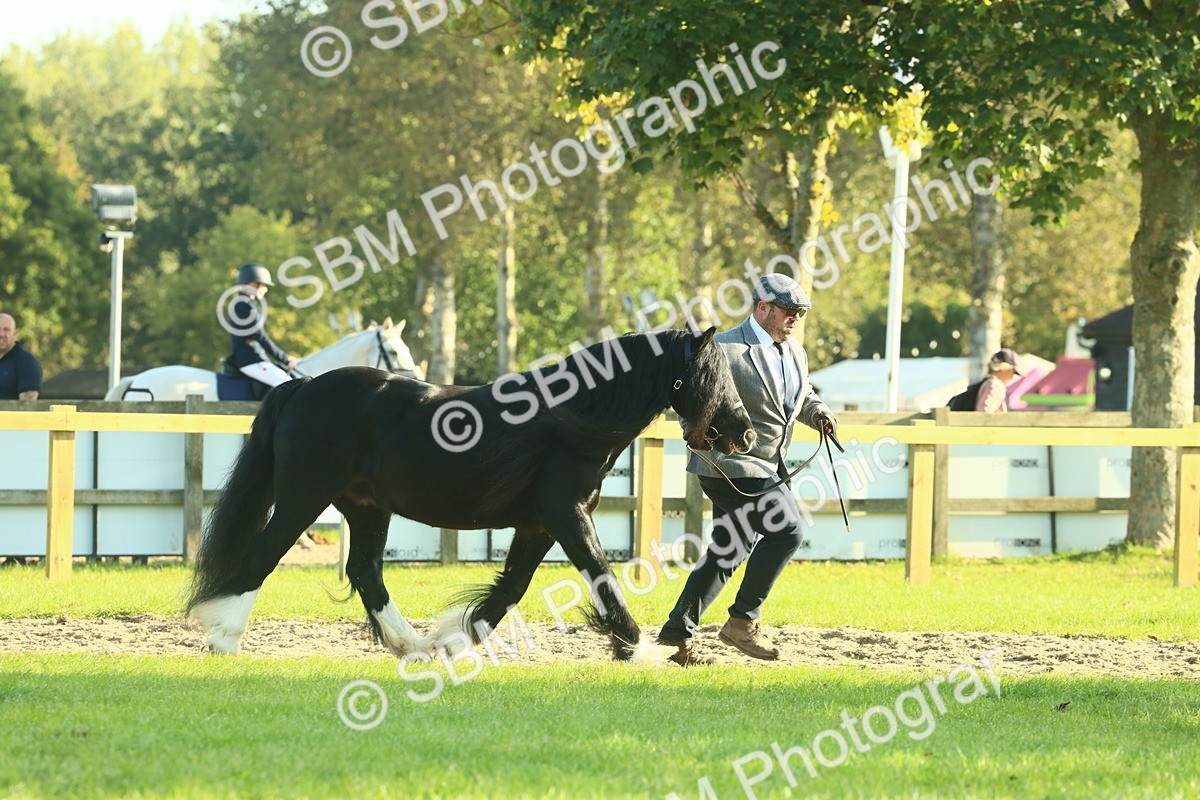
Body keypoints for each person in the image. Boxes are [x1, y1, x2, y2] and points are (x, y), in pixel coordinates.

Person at [656, 274, 838, 666]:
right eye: (788, 311)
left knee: (730, 549)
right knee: (787, 531)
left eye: (800, 312)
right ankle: (742, 621)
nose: (795, 318)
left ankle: (675, 637)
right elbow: (690, 402)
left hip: (769, 463)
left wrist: (818, 412)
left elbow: (802, 395)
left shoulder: (796, 352)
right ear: (763, 307)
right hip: (729, 464)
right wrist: (701, 434)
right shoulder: (724, 347)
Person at [224, 263, 297, 391]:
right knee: (288, 384)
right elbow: (261, 336)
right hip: (250, 361)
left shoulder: (248, 304)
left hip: (255, 359)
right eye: (263, 285)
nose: (266, 289)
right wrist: (284, 358)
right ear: (253, 284)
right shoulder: (243, 306)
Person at [0, 313, 43, 401]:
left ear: (15, 333)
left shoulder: (26, 362)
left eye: (6, 330)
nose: (1, 334)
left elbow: (27, 405)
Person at [975, 348, 1021, 413]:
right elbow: (984, 413)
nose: (1013, 376)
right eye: (1013, 372)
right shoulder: (995, 385)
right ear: (1004, 369)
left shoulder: (989, 382)